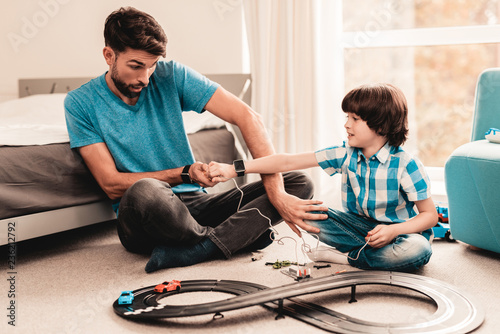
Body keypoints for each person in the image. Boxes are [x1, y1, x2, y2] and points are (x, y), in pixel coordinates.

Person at [64, 7, 328, 273]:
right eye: (136, 66)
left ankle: (204, 245)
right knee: (146, 189)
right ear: (109, 56)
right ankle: (235, 237)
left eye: (152, 65)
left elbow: (248, 117)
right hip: (145, 214)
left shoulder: (172, 75)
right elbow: (111, 184)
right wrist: (184, 174)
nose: (145, 77)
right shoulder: (79, 103)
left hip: (196, 205)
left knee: (297, 181)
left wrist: (278, 195)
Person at [208, 83, 438, 272]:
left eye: (355, 119)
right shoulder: (344, 153)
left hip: (401, 234)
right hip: (357, 228)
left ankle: (347, 257)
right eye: (347, 117)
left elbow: (429, 216)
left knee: (417, 252)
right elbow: (287, 161)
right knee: (302, 211)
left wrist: (393, 231)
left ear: (381, 125)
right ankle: (366, 254)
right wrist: (235, 169)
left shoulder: (406, 164)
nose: (347, 124)